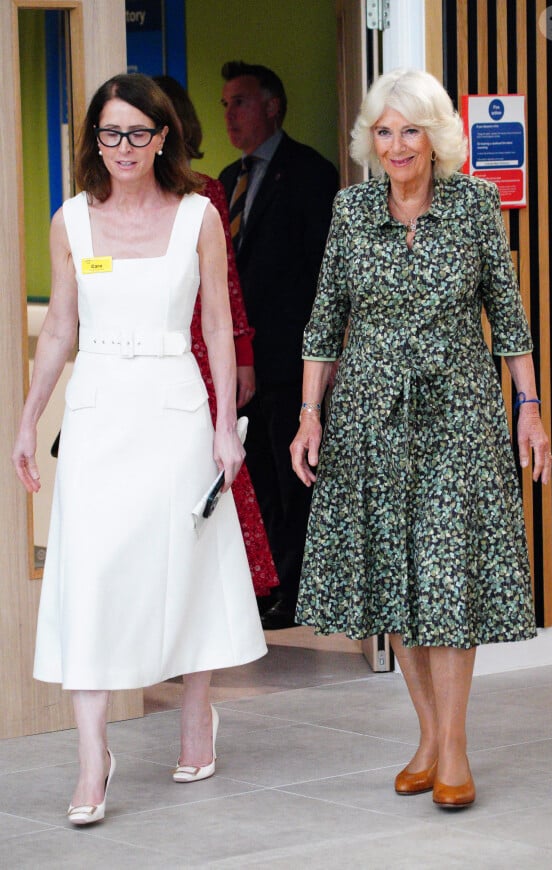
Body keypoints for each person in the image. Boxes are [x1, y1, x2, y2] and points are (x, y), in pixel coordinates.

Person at [290, 68, 551, 809]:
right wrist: (311, 414)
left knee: (447, 575)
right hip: (370, 419)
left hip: (459, 415)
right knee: (397, 580)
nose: (396, 144)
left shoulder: (474, 204)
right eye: (382, 130)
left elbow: (509, 315)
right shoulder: (350, 210)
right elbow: (323, 321)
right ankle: (429, 738)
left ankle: (457, 745)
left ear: (435, 138)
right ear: (368, 140)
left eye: (409, 130)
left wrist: (527, 406)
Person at [12, 73, 267, 825]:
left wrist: (224, 425)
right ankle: (94, 757)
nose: (122, 148)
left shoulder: (198, 217)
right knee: (90, 574)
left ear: (164, 138)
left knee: (183, 564)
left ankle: (196, 710)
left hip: (175, 409)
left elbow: (218, 324)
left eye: (137, 133)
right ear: (94, 140)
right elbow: (61, 327)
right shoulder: (72, 223)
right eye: (109, 133)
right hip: (97, 415)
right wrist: (29, 418)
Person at [219, 60, 339, 629]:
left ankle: (296, 593)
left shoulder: (311, 174)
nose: (229, 114)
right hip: (240, 363)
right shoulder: (224, 181)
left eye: (239, 102)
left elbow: (326, 277)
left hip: (294, 362)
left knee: (297, 483)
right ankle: (266, 586)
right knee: (258, 477)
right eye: (224, 105)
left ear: (271, 106)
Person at [153, 74, 279, 598]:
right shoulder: (101, 205)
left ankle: (220, 591)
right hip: (146, 347)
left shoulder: (207, 191)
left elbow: (227, 284)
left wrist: (243, 357)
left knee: (209, 464)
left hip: (203, 347)